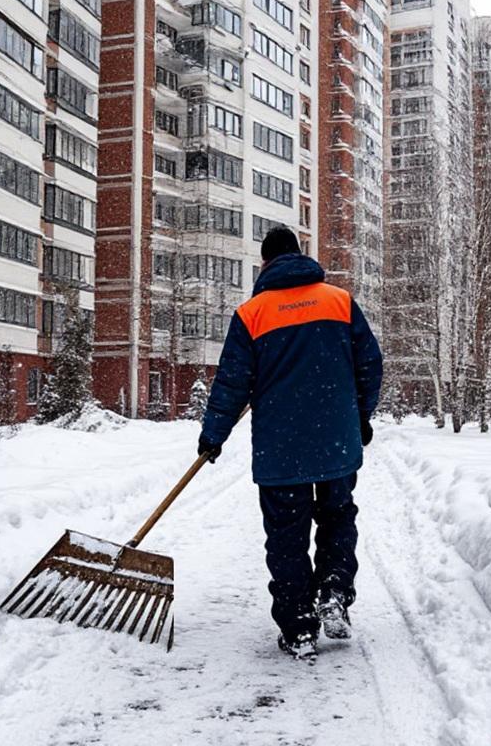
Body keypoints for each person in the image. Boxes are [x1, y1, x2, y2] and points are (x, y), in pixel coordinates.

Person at [198, 226, 383, 661]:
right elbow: (370, 364)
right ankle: (334, 592)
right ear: (300, 256)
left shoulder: (252, 313)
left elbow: (231, 383)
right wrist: (359, 417)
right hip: (336, 438)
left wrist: (213, 435)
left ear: (265, 264)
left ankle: (299, 625)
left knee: (286, 534)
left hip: (280, 447)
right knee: (337, 517)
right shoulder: (339, 301)